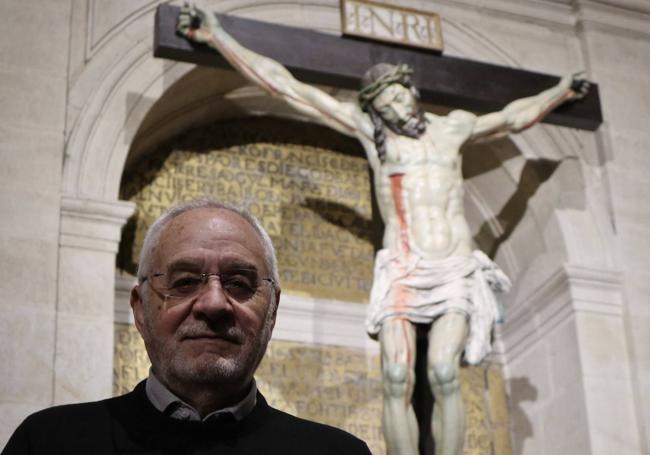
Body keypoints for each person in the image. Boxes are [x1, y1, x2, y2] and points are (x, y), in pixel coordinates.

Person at [176, 6, 590, 455]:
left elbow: (513, 117)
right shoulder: (377, 139)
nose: (393, 107)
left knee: (445, 373)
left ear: (411, 91)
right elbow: (291, 89)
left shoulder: (453, 129)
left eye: (397, 96)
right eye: (383, 103)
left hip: (453, 267)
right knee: (395, 376)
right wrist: (218, 37)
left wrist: (559, 92)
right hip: (402, 266)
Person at [3, 199, 371, 454]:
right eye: (184, 282)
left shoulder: (338, 453)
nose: (213, 303)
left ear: (272, 311)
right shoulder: (50, 443)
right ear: (141, 310)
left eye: (239, 284)